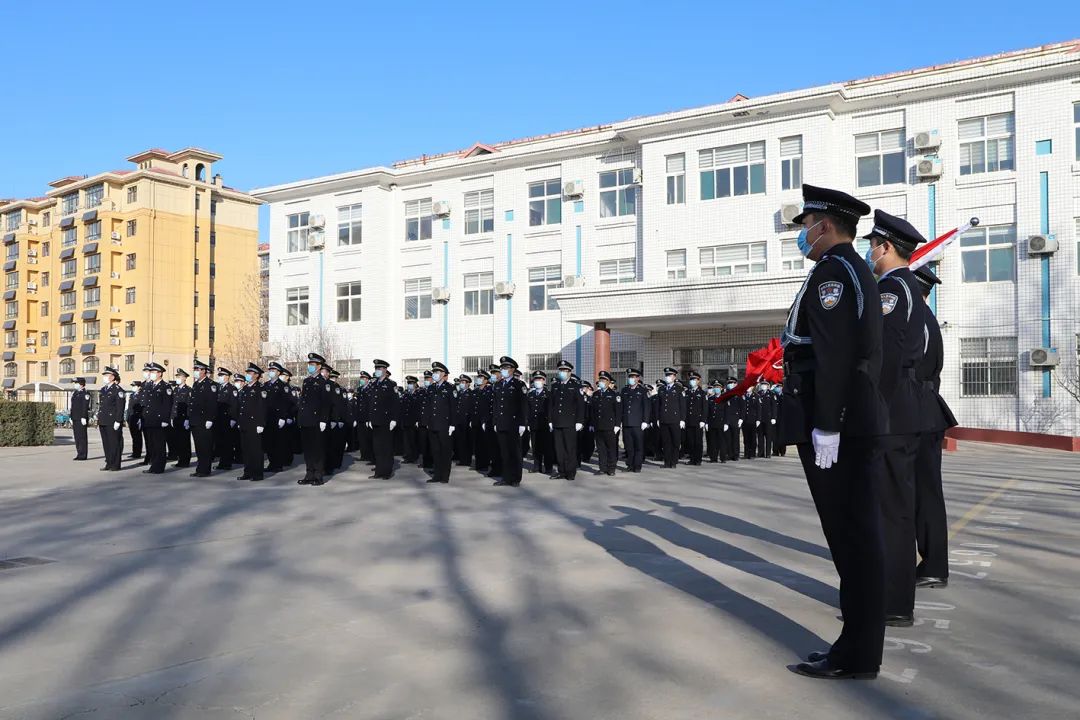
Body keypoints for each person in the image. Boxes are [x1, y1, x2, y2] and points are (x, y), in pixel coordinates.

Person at [780, 184, 887, 680]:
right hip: (845, 415)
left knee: (852, 536)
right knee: (851, 536)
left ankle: (857, 653)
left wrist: (827, 424)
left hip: (836, 420)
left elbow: (835, 352)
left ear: (824, 225)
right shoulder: (847, 268)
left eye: (806, 226)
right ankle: (854, 646)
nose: (802, 234)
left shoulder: (835, 272)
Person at [865, 210, 931, 627]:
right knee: (898, 507)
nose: (869, 252)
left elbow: (884, 357)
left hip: (890, 412)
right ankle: (897, 599)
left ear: (886, 247)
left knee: (889, 509)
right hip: (906, 407)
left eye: (872, 245)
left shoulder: (890, 289)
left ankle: (891, 602)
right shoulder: (909, 288)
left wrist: (871, 407)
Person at [912, 265, 957, 590]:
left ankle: (933, 564)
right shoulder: (926, 318)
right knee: (925, 492)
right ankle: (933, 563)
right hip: (925, 411)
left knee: (922, 494)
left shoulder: (918, 321)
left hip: (917, 412)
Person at [491, 356, 528, 487]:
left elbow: (523, 405)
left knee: (515, 452)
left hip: (514, 424)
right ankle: (506, 477)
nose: (503, 370)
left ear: (513, 370)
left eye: (506, 368)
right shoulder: (498, 385)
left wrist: (523, 423)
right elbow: (496, 405)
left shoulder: (519, 385)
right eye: (502, 368)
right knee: (504, 453)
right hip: (501, 423)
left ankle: (516, 478)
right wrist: (495, 422)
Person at [297, 353, 332, 486]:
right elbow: (303, 402)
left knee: (317, 450)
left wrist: (324, 419)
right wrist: (300, 419)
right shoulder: (307, 381)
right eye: (309, 364)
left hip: (317, 421)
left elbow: (326, 403)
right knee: (308, 450)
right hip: (306, 420)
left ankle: (318, 476)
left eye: (312, 365)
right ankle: (309, 474)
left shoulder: (323, 382)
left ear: (319, 366)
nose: (310, 367)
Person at [547, 360, 584, 481]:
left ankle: (570, 472)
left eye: (564, 370)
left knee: (570, 448)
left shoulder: (576, 386)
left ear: (569, 372)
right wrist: (550, 420)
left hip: (570, 422)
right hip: (557, 422)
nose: (562, 372)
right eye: (560, 370)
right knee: (559, 449)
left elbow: (580, 405)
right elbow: (551, 405)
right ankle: (561, 471)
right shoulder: (555, 386)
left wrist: (579, 421)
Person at [368, 359, 400, 479]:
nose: (377, 371)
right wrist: (370, 418)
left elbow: (396, 403)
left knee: (386, 447)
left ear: (385, 370)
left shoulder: (391, 384)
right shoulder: (374, 384)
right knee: (377, 447)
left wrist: (394, 419)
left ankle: (386, 472)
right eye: (376, 369)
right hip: (376, 420)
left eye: (380, 369)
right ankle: (379, 471)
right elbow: (371, 403)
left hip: (387, 421)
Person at [424, 361, 455, 484]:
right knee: (435, 451)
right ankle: (436, 475)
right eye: (434, 372)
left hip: (445, 425)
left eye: (437, 372)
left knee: (445, 451)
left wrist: (452, 424)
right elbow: (428, 406)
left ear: (443, 374)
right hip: (432, 424)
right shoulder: (431, 388)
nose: (435, 374)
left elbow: (453, 407)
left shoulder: (450, 388)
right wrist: (426, 421)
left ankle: (444, 476)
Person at [141, 362, 174, 474]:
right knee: (152, 445)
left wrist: (165, 420)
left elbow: (167, 405)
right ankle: (153, 466)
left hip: (159, 421)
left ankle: (159, 467)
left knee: (159, 445)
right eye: (151, 372)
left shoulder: (165, 387)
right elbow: (147, 404)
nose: (151, 374)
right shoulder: (149, 385)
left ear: (160, 373)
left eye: (154, 372)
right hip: (149, 420)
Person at [188, 359, 219, 478]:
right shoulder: (196, 384)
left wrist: (210, 419)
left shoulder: (210, 385)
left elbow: (212, 404)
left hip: (205, 420)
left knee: (205, 446)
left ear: (204, 371)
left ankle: (205, 469)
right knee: (199, 446)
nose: (196, 371)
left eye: (198, 369)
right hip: (195, 420)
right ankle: (200, 468)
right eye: (195, 369)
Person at [237, 364, 267, 481]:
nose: (248, 375)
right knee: (246, 449)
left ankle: (257, 473)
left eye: (250, 373)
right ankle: (247, 471)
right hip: (244, 423)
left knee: (255, 450)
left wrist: (261, 423)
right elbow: (242, 407)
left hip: (255, 424)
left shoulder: (260, 389)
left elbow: (262, 407)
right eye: (247, 373)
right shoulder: (245, 388)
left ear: (256, 375)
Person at [619, 368, 650, 472]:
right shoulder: (624, 390)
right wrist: (619, 422)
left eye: (633, 377)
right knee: (629, 447)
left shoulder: (642, 391)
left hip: (638, 423)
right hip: (627, 423)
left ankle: (637, 466)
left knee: (638, 446)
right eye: (630, 377)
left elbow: (646, 407)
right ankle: (630, 465)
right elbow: (621, 407)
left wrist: (645, 421)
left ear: (637, 378)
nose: (631, 379)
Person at [591, 371, 621, 476]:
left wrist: (617, 425)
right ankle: (602, 468)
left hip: (610, 427)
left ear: (609, 382)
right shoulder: (595, 394)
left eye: (604, 380)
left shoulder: (614, 395)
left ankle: (611, 468)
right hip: (598, 426)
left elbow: (618, 411)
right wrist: (592, 423)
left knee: (611, 448)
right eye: (600, 380)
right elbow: (593, 411)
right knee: (601, 449)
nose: (602, 382)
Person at [656, 367, 686, 469]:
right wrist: (658, 418)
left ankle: (674, 461)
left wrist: (682, 419)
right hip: (664, 419)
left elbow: (682, 405)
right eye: (666, 375)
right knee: (666, 442)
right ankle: (667, 462)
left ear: (674, 376)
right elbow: (658, 406)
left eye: (669, 375)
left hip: (675, 419)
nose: (667, 377)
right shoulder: (662, 389)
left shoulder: (679, 389)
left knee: (675, 441)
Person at [96, 366, 125, 471]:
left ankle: (115, 464)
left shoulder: (118, 390)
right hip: (103, 420)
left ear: (113, 377)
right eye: (104, 375)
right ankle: (108, 463)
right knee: (106, 443)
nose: (105, 377)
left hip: (112, 421)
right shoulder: (103, 389)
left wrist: (118, 420)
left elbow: (120, 407)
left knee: (114, 443)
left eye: (107, 375)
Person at [263, 362, 289, 473]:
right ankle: (271, 463)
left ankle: (278, 464)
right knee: (268, 442)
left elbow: (285, 403)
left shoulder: (283, 386)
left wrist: (283, 417)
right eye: (270, 370)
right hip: (267, 417)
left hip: (278, 418)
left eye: (273, 370)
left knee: (277, 442)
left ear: (278, 372)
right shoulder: (265, 385)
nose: (271, 372)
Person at [527, 371, 554, 474]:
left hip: (545, 424)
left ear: (544, 381)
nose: (537, 381)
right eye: (536, 379)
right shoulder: (531, 394)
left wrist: (551, 422)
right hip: (534, 424)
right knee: (535, 446)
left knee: (547, 447)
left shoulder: (549, 394)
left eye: (540, 379)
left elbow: (551, 409)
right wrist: (527, 423)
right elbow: (528, 409)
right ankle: (536, 466)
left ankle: (548, 467)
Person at [214, 367, 237, 471]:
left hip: (227, 419)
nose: (220, 377)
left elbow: (234, 405)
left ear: (227, 377)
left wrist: (233, 418)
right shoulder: (218, 388)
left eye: (221, 375)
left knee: (227, 442)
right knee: (220, 442)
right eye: (219, 375)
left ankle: (227, 463)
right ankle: (222, 463)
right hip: (218, 418)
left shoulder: (232, 389)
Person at [170, 368, 192, 468]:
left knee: (184, 440)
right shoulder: (176, 389)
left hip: (184, 419)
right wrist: (171, 417)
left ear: (184, 378)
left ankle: (185, 460)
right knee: (177, 440)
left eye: (179, 377)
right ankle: (180, 459)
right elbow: (173, 404)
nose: (178, 378)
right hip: (176, 418)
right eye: (177, 377)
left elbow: (189, 405)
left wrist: (188, 419)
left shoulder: (188, 390)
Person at [684, 371, 707, 465]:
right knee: (690, 441)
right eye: (691, 379)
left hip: (698, 421)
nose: (692, 381)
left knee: (698, 441)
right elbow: (685, 407)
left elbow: (705, 408)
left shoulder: (702, 393)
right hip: (689, 421)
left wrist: (703, 420)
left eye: (694, 379)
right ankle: (692, 459)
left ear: (698, 381)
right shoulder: (687, 392)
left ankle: (698, 460)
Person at [452, 374, 474, 467]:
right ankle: (461, 458)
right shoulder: (459, 393)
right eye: (460, 382)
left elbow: (472, 408)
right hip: (458, 421)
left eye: (463, 382)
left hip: (466, 421)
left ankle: (466, 460)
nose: (461, 384)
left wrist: (471, 420)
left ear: (468, 384)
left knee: (466, 441)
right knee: (459, 441)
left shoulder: (471, 394)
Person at [70, 377, 92, 461]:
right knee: (77, 437)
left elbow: (84, 406)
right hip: (75, 417)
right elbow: (73, 406)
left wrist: (83, 417)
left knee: (82, 437)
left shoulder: (85, 394)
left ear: (81, 384)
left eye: (76, 383)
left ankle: (83, 454)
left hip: (81, 418)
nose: (75, 385)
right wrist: (71, 417)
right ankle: (79, 453)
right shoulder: (75, 393)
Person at [722, 379, 742, 462]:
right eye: (729, 383)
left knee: (735, 438)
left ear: (736, 384)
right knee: (728, 438)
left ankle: (736, 455)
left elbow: (742, 407)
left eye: (732, 383)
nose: (730, 384)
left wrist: (741, 418)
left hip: (735, 419)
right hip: (727, 419)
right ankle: (729, 454)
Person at [754, 381, 776, 459]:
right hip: (760, 418)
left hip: (768, 418)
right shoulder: (758, 394)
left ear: (768, 386)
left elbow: (774, 407)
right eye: (762, 384)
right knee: (760, 436)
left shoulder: (771, 394)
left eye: (765, 385)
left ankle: (768, 453)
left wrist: (774, 417)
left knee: (768, 436)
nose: (763, 386)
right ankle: (761, 452)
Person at [126, 380, 144, 460]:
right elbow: (129, 407)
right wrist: (127, 417)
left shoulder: (141, 395)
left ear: (139, 387)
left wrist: (140, 418)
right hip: (131, 417)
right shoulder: (132, 395)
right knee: (133, 436)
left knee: (137, 436)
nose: (133, 388)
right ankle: (134, 452)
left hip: (137, 417)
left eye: (134, 386)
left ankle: (138, 453)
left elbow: (142, 408)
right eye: (132, 386)